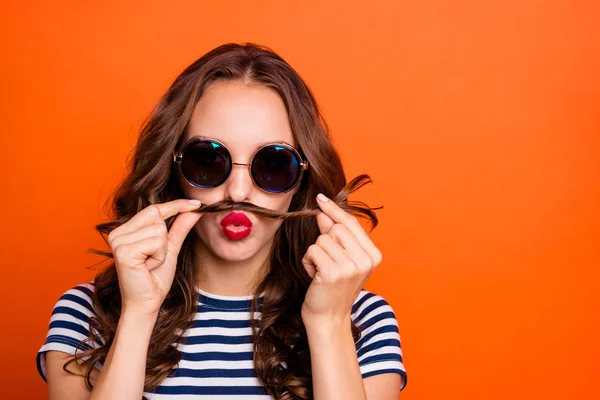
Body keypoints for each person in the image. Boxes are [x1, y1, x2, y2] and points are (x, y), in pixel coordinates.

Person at [36, 42, 407, 399]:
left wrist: (328, 324)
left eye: (273, 164)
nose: (239, 191)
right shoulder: (86, 314)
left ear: (302, 181)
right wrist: (139, 313)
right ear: (173, 169)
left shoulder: (362, 319)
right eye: (208, 159)